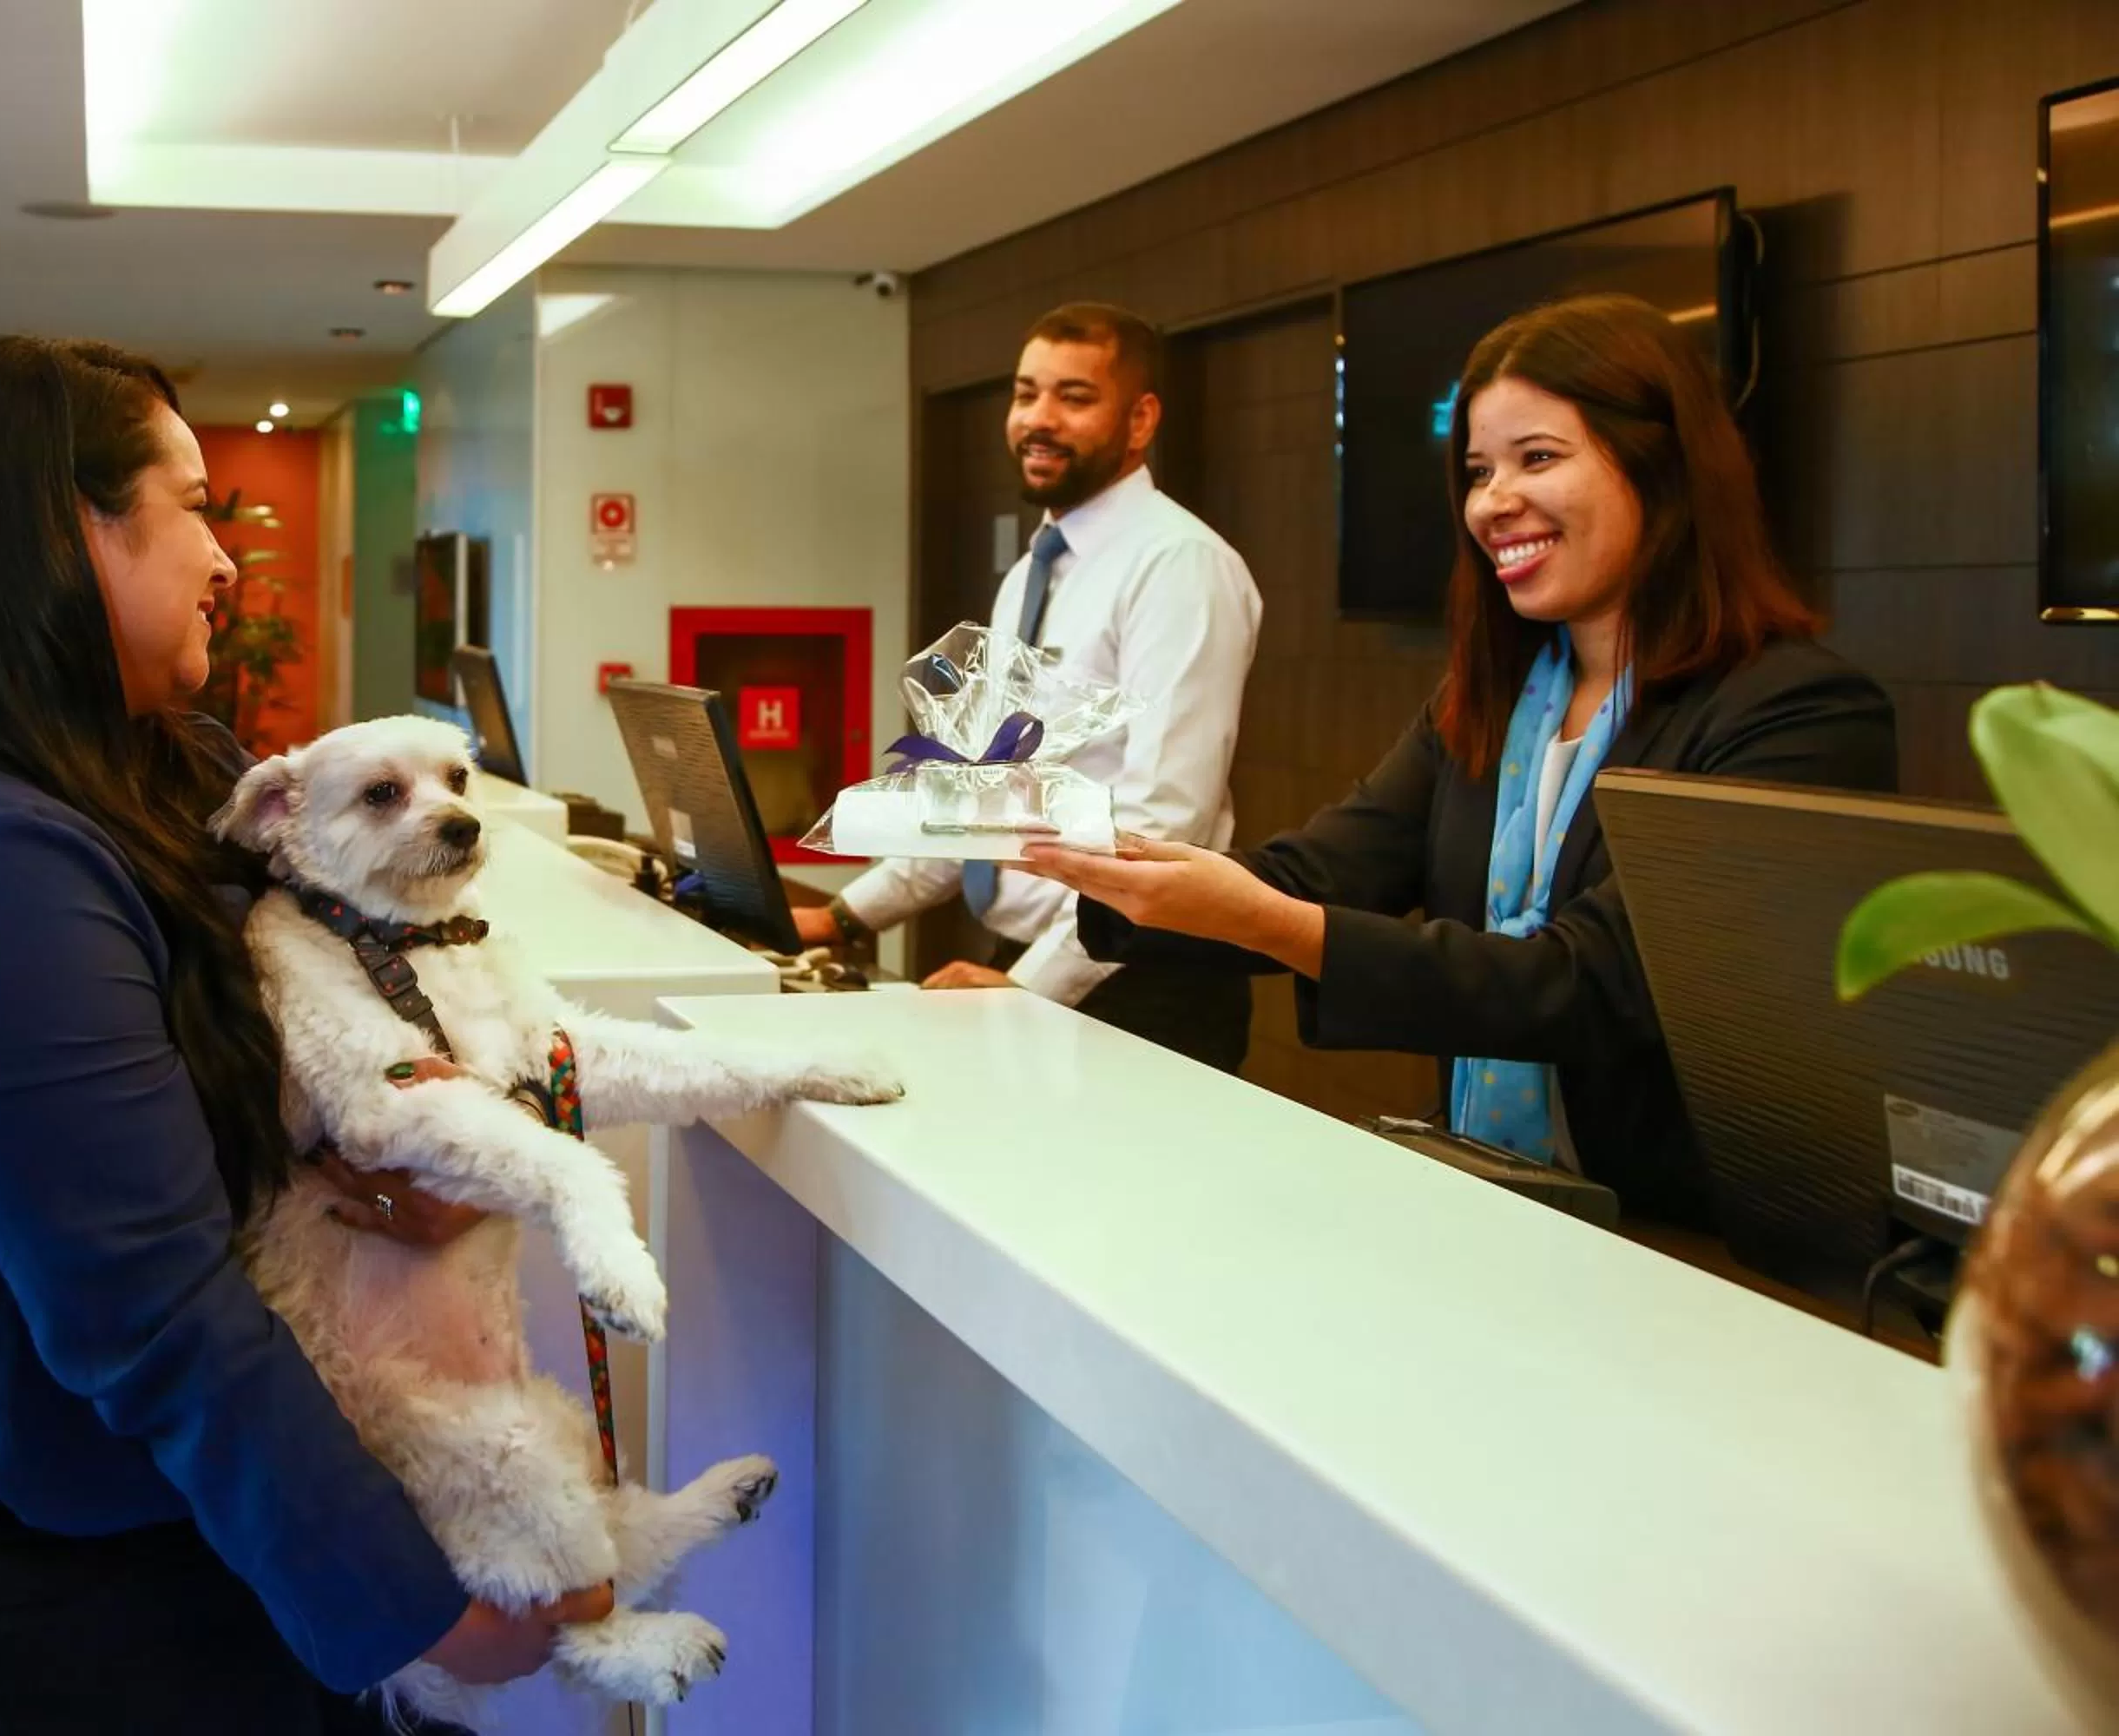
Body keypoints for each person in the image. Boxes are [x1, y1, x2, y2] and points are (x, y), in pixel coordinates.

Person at [0, 337, 606, 1733]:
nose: (226, 561)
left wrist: (441, 1160)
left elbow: (353, 1015)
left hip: (198, 1544)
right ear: (68, 533)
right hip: (38, 1614)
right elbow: (150, 1303)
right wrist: (411, 1603)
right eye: (194, 507)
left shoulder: (173, 772)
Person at [1021, 293, 1898, 1229]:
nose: (1493, 502)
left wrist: (1278, 925)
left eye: (1538, 458)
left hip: (1690, 1246)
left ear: (1665, 465)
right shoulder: (1488, 701)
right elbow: (1323, 870)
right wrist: (1098, 867)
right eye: (1478, 471)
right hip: (1500, 1205)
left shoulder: (1796, 715)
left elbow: (1595, 982)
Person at [797, 301, 1263, 1072]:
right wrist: (846, 917)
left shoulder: (1179, 565)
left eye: (1074, 398)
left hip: (1136, 979)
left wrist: (1029, 989)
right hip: (1038, 960)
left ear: (1140, 420)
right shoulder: (1032, 573)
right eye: (1025, 394)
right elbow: (981, 791)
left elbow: (1163, 823)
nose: (1039, 419)